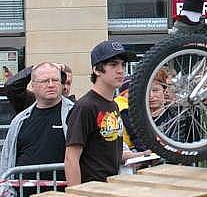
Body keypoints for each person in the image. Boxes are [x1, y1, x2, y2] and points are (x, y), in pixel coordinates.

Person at [65, 40, 137, 186]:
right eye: (113, 64)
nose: (120, 70)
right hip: (91, 188)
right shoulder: (85, 106)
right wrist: (76, 194)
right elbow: (71, 158)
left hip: (110, 187)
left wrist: (139, 156)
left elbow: (105, 149)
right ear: (97, 70)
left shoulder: (114, 104)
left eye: (123, 64)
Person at [0, 63, 74, 196]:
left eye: (55, 80)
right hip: (23, 193)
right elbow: (6, 159)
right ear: (33, 85)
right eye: (45, 81)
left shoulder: (75, 114)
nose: (51, 84)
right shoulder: (21, 119)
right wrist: (35, 68)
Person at [2, 63, 74, 114]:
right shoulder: (31, 101)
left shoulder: (76, 109)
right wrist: (35, 69)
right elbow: (11, 86)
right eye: (46, 81)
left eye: (68, 83)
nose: (65, 87)